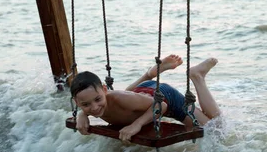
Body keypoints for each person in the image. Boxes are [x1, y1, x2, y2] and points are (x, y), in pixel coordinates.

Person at [70, 55, 221, 143]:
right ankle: (149, 74)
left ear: (105, 90)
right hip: (140, 95)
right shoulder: (90, 104)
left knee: (215, 128)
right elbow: (125, 96)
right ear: (77, 102)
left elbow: (161, 106)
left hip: (163, 97)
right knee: (127, 99)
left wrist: (137, 124)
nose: (94, 107)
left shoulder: (118, 97)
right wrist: (82, 114)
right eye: (86, 105)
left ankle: (197, 76)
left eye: (98, 100)